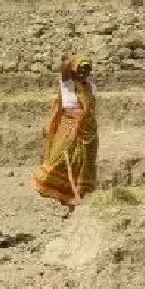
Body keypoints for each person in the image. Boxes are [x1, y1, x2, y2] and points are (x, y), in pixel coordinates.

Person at [33, 55, 98, 214]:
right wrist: (69, 62)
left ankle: (75, 195)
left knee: (81, 163)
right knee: (60, 158)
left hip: (86, 131)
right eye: (81, 68)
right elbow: (64, 70)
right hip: (68, 128)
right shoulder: (67, 84)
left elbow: (90, 109)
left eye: (87, 68)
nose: (84, 71)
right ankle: (53, 192)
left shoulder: (91, 87)